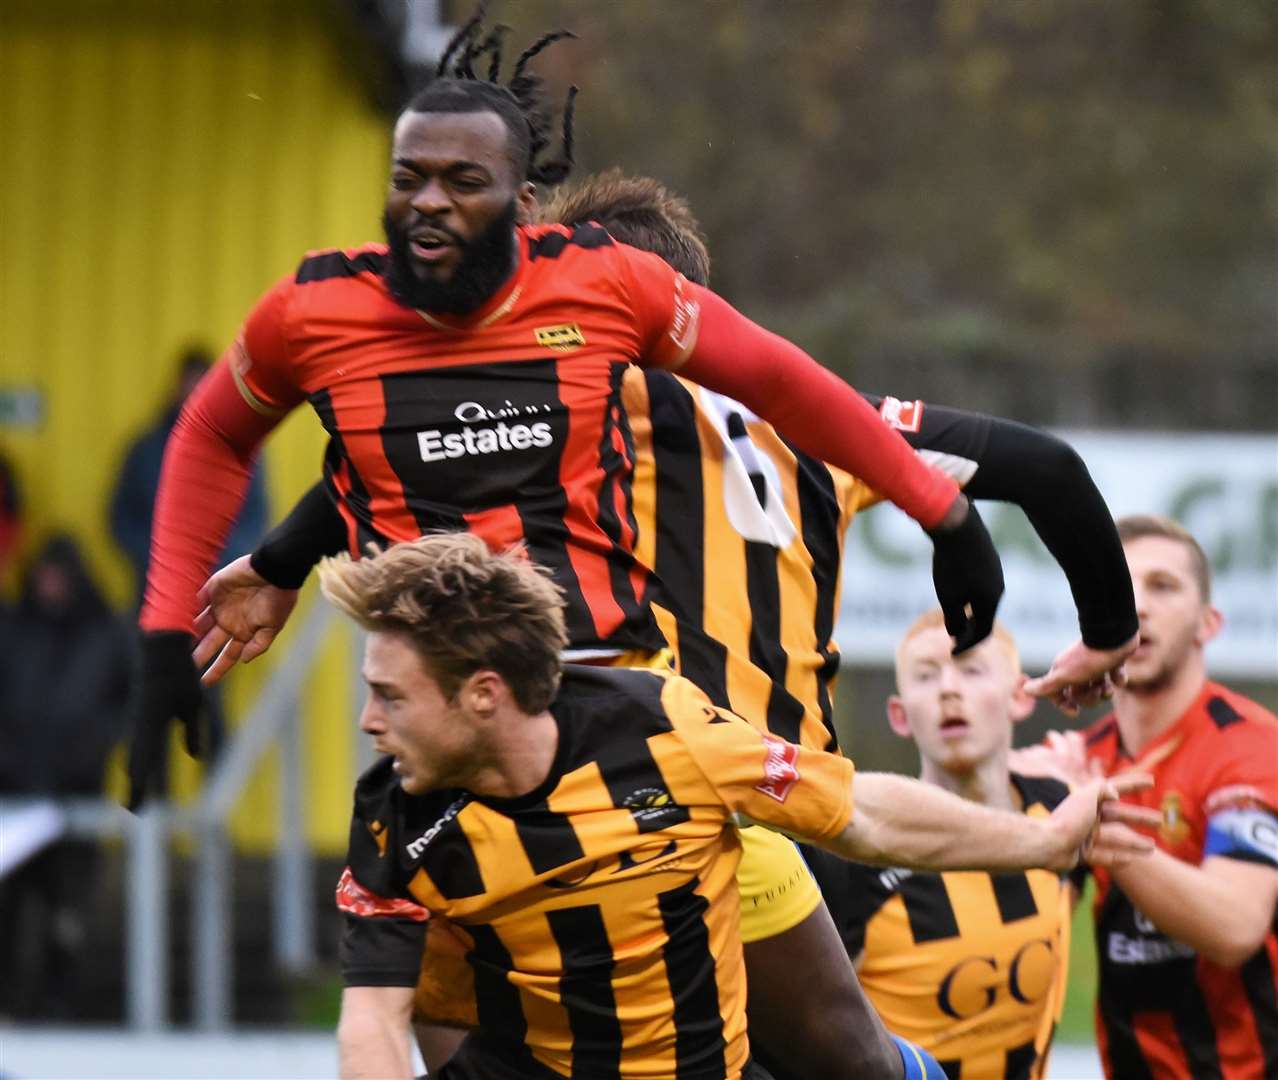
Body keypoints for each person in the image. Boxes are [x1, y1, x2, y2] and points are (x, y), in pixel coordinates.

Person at [192, 168, 1141, 1079]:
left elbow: (389, 450)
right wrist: (1108, 629)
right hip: (771, 794)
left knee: (461, 1005)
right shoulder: (827, 419)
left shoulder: (576, 401)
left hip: (608, 791)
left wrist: (278, 564)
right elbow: (1050, 470)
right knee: (841, 1060)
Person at [128, 15, 1013, 812]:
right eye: (409, 178)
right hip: (432, 730)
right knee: (413, 992)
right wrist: (166, 633)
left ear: (521, 205)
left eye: (463, 180)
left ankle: (1045, 844)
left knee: (839, 863)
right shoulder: (312, 310)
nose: (429, 200)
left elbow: (782, 384)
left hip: (608, 705)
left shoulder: (606, 283)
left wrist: (943, 513)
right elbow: (214, 433)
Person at [322, 533, 1155, 1080]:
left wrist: (1044, 840)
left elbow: (855, 811)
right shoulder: (393, 820)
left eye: (391, 697)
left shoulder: (658, 724)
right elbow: (373, 1025)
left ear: (483, 695)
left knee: (866, 1064)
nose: (369, 722)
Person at [1017, 515, 1278, 1079]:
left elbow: (1235, 928)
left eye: (1162, 586)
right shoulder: (1078, 758)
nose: (1137, 606)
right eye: (1121, 586)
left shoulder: (1253, 747)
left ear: (1209, 623)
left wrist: (1094, 821)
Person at [808, 610, 1075, 1080]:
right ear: (900, 714)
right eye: (927, 677)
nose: (949, 689)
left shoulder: (1059, 812)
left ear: (1020, 696)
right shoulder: (851, 863)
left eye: (971, 670)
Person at [0, 534, 131, 1018]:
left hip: (77, 793)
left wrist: (94, 745)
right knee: (11, 905)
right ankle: (11, 1001)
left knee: (67, 908)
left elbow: (126, 700)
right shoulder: (14, 629)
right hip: (14, 793)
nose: (50, 588)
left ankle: (60, 1002)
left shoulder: (103, 634)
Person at [109, 345, 269, 609]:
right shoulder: (145, 449)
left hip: (219, 598)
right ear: (176, 387)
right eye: (189, 384)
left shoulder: (243, 450)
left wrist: (221, 562)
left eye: (203, 385)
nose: (194, 393)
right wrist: (155, 557)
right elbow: (119, 518)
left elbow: (256, 518)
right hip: (155, 597)